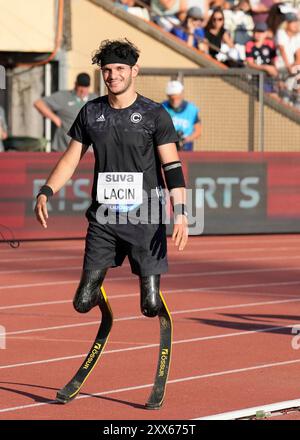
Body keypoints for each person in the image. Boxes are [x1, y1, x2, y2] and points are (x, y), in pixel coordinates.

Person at [34, 39, 188, 409]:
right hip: (103, 219)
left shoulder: (154, 115)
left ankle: (153, 302)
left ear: (134, 71)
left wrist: (181, 211)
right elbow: (71, 159)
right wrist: (46, 190)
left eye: (120, 69)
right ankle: (104, 304)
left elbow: (172, 166)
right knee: (82, 301)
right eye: (107, 70)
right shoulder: (90, 113)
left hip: (146, 220)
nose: (113, 75)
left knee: (150, 307)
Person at [34, 73, 97, 152]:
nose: (83, 90)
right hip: (64, 148)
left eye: (86, 87)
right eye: (80, 87)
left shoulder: (94, 99)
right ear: (75, 85)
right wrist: (54, 118)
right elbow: (38, 103)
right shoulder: (64, 96)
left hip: (87, 150)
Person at [162, 80, 201, 151]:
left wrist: (185, 140)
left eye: (177, 97)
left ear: (182, 94)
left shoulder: (191, 109)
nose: (175, 101)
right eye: (172, 98)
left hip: (186, 148)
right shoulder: (162, 107)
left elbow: (198, 131)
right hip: (168, 147)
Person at [245, 22, 278, 94]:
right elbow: (250, 64)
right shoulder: (249, 44)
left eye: (261, 32)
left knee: (274, 95)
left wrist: (274, 70)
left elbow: (274, 61)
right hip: (255, 78)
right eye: (257, 31)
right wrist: (266, 67)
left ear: (266, 33)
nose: (259, 34)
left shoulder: (270, 44)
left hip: (269, 77)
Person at [275, 12, 300, 105]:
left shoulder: (297, 36)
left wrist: (295, 66)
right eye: (292, 22)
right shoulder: (281, 32)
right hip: (280, 67)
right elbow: (282, 50)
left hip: (291, 68)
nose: (295, 24)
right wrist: (289, 67)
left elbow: (298, 54)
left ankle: (296, 99)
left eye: (296, 22)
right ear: (287, 23)